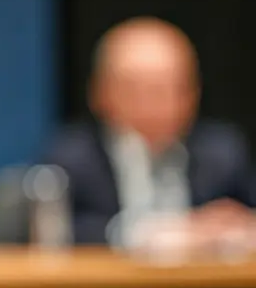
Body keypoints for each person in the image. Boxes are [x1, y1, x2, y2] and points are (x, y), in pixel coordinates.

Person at [44, 16, 254, 251]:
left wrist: (235, 227)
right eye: (136, 90)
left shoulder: (223, 153)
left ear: (194, 93)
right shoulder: (72, 157)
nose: (155, 104)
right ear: (99, 93)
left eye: (171, 88)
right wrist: (149, 233)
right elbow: (52, 233)